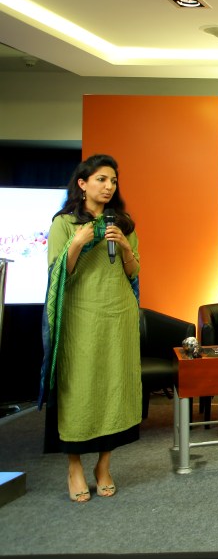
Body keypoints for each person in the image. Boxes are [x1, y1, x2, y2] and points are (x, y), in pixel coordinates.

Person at [40, 154, 141, 503]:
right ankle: (74, 467)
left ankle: (104, 465)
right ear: (82, 184)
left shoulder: (122, 224)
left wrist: (125, 246)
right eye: (101, 179)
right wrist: (77, 243)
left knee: (114, 384)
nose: (108, 186)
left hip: (118, 315)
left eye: (113, 181)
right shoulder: (64, 223)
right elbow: (58, 275)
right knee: (80, 387)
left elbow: (133, 272)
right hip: (79, 317)